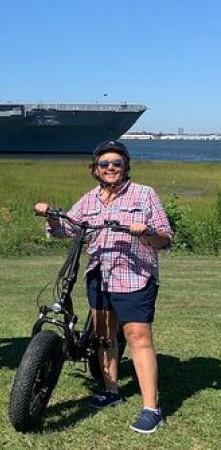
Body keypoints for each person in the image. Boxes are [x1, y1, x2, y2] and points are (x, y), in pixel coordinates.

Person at [34, 140, 173, 434]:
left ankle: (151, 408)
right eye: (104, 164)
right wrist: (50, 214)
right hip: (99, 274)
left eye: (117, 163)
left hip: (135, 275)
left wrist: (146, 232)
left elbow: (165, 237)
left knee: (137, 336)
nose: (111, 168)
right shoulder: (89, 200)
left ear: (126, 166)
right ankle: (112, 391)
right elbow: (67, 228)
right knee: (103, 334)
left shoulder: (145, 195)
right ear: (95, 169)